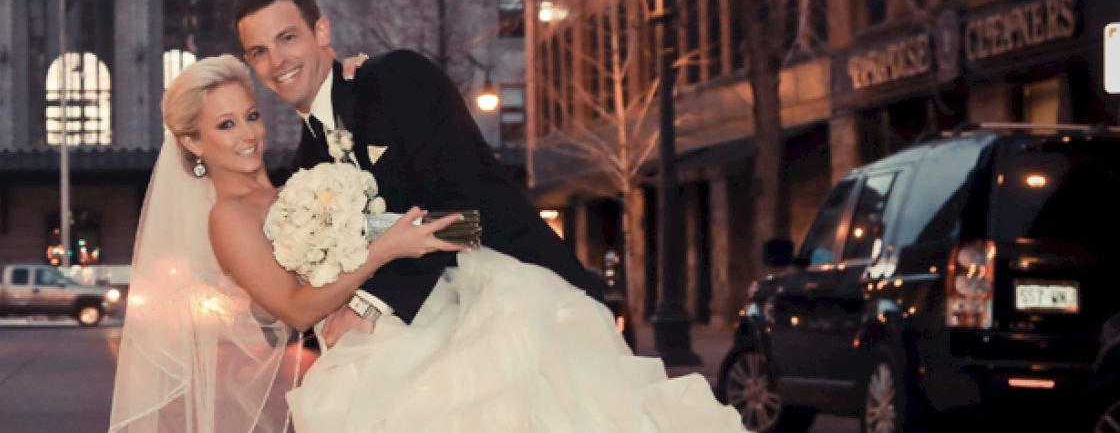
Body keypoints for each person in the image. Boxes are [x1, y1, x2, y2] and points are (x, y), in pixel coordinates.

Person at [110, 56, 743, 432]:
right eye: (225, 125)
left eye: (250, 115)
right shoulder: (228, 218)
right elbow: (295, 308)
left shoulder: (298, 179)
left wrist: (363, 86)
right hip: (366, 354)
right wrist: (383, 252)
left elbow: (392, 206)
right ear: (192, 143)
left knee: (544, 364)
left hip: (412, 318)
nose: (247, 134)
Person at [231, 0, 604, 336]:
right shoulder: (307, 166)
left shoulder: (395, 78)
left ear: (322, 33)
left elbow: (461, 207)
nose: (277, 60)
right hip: (423, 319)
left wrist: (371, 303)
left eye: (287, 38)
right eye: (259, 52)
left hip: (517, 294)